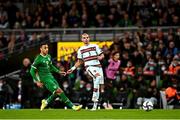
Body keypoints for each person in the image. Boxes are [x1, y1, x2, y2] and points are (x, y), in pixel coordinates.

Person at [30, 42, 82, 111]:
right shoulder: (38, 59)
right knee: (59, 91)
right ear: (41, 49)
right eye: (45, 48)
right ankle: (73, 107)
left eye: (47, 48)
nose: (46, 49)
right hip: (45, 78)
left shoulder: (48, 56)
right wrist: (37, 81)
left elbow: (51, 66)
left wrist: (59, 71)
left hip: (51, 76)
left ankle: (46, 102)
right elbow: (31, 71)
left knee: (57, 93)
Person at [67, 33, 105, 111]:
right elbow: (80, 61)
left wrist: (100, 57)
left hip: (98, 67)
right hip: (89, 67)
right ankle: (94, 96)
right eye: (84, 38)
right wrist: (73, 68)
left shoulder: (95, 46)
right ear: (82, 39)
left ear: (89, 38)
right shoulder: (80, 49)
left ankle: (94, 106)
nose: (86, 39)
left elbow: (102, 55)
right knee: (97, 77)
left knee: (99, 86)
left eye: (87, 37)